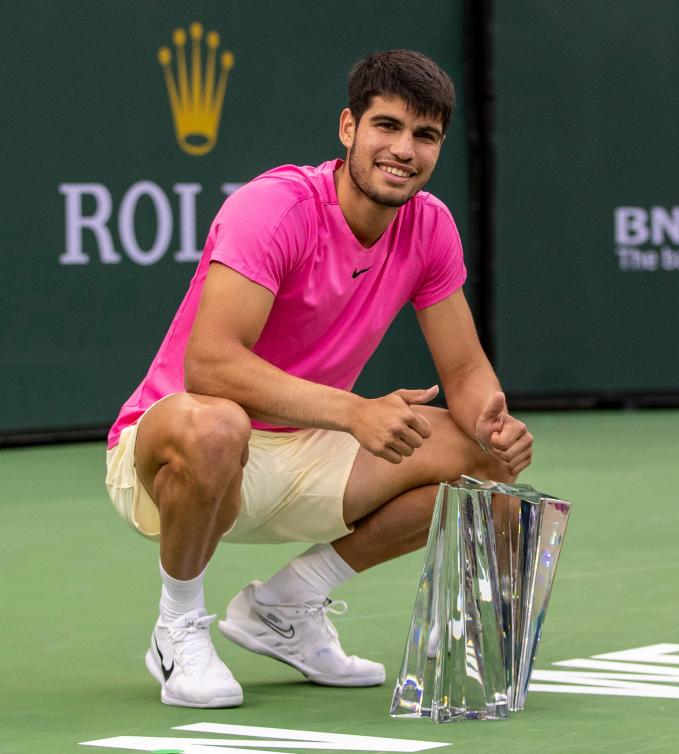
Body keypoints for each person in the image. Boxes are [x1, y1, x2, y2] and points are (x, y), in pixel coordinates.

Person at [104, 49, 533, 709]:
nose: (404, 150)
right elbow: (210, 364)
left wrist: (491, 422)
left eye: (425, 136)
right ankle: (178, 627)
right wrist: (354, 412)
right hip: (172, 454)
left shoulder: (431, 226)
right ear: (348, 128)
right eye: (387, 126)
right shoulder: (275, 208)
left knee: (477, 461)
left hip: (304, 453)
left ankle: (285, 607)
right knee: (218, 422)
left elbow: (467, 369)